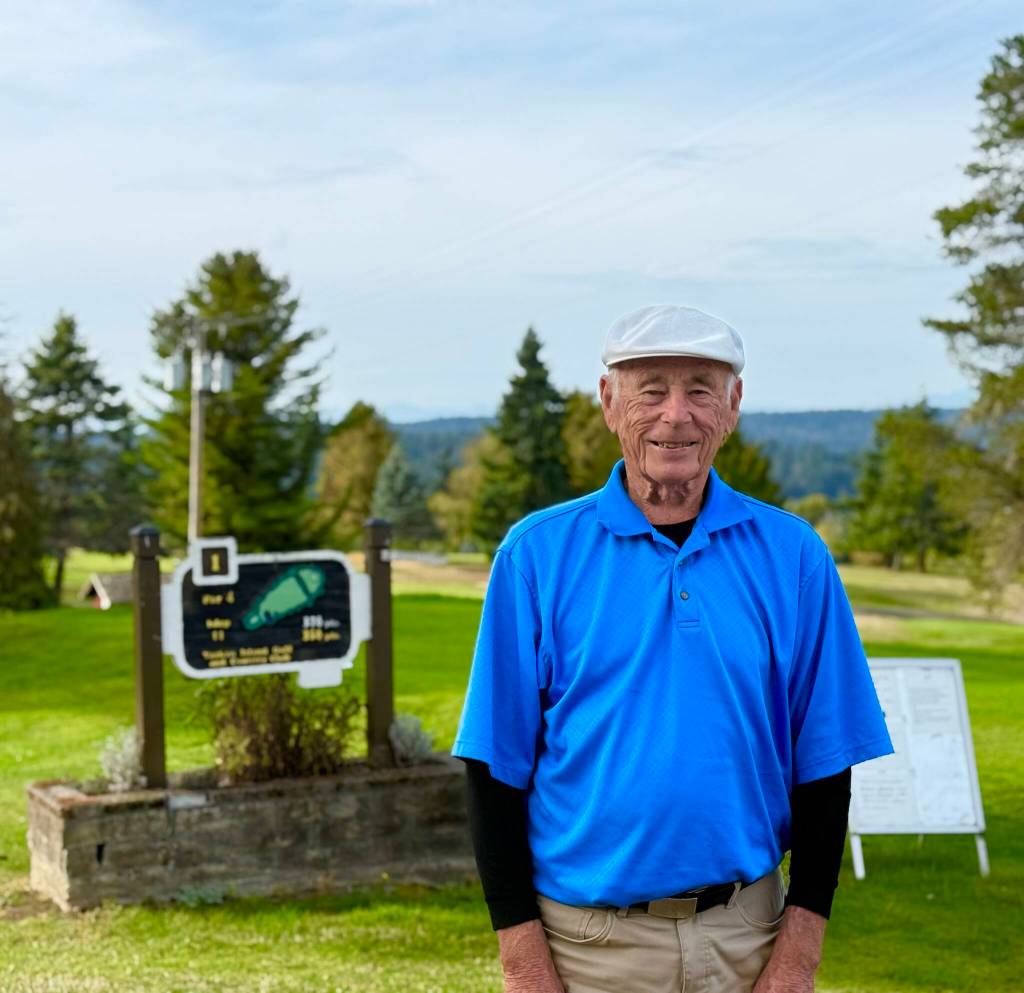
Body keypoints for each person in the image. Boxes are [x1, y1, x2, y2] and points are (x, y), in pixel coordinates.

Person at [452, 304, 893, 993]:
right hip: (586, 946)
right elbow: (494, 768)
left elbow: (826, 763)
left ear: (733, 405)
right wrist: (522, 960)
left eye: (700, 388)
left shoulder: (795, 555)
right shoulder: (535, 555)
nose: (676, 414)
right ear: (609, 401)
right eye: (651, 388)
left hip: (748, 939)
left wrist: (799, 951)